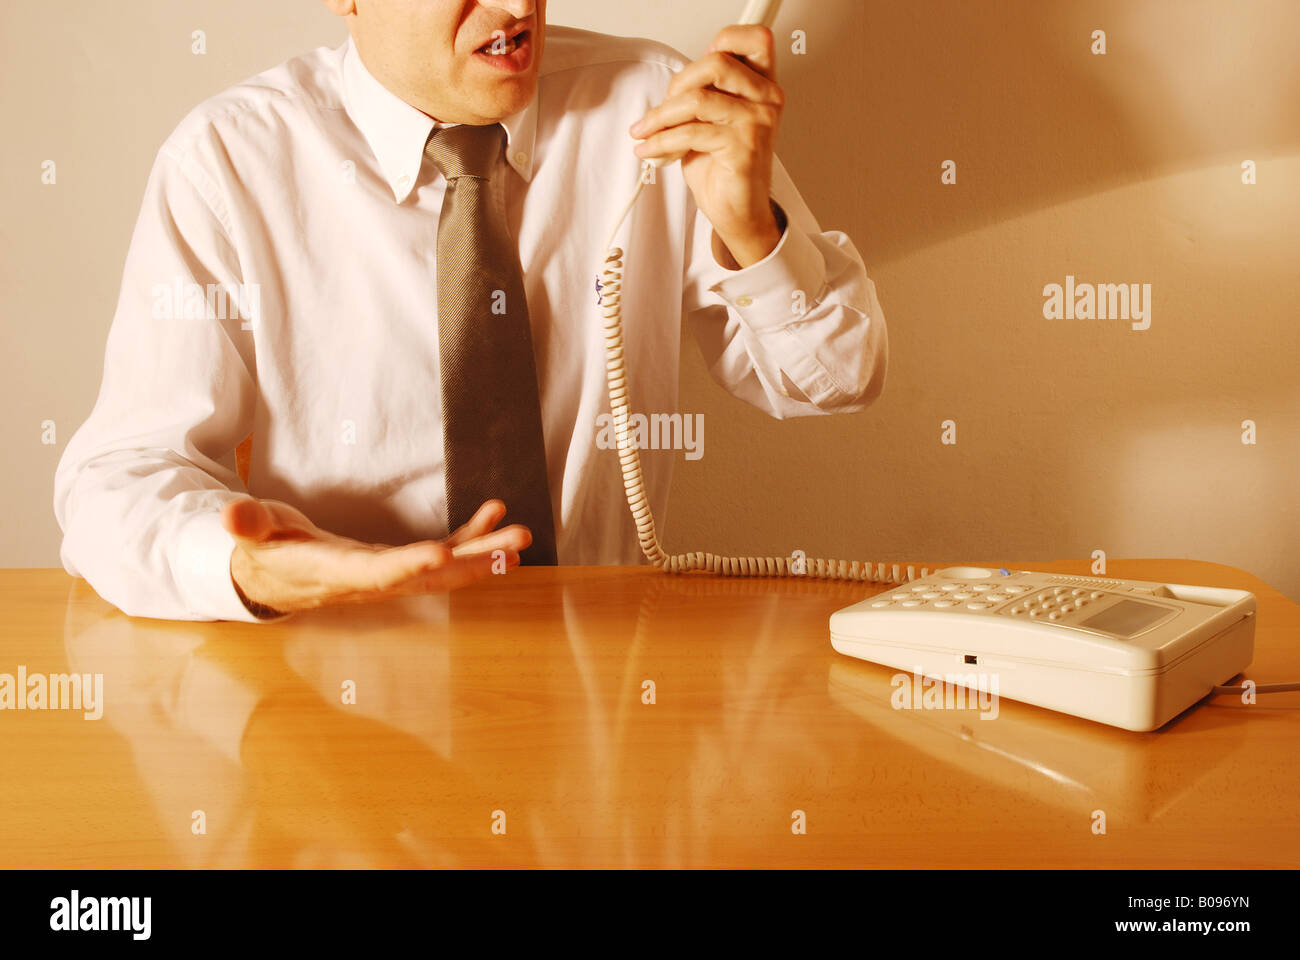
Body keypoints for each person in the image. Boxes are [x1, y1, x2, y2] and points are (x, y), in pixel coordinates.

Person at [53, 0, 889, 621]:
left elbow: (841, 380)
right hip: (346, 689)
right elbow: (112, 484)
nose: (516, 5)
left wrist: (750, 228)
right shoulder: (229, 163)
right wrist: (249, 571)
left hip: (607, 688)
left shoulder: (656, 105)